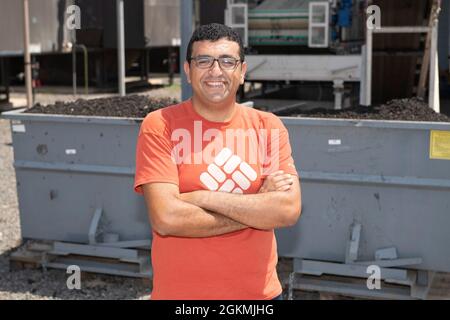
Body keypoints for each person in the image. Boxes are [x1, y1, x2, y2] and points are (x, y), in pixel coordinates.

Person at [134, 23, 301, 300]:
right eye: (203, 61)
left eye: (227, 61)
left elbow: (288, 211)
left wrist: (200, 197)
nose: (215, 71)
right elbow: (166, 218)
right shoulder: (160, 125)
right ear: (187, 71)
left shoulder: (268, 127)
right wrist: (258, 207)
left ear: (242, 72)